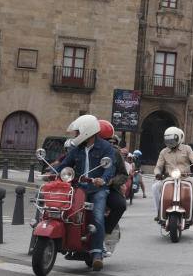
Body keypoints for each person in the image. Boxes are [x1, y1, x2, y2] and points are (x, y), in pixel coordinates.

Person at [58, 114, 116, 271]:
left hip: (98, 189)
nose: (75, 135)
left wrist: (103, 179)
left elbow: (109, 167)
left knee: (97, 216)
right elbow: (65, 164)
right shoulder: (77, 149)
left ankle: (97, 253)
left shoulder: (105, 147)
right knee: (63, 211)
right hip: (78, 187)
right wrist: (51, 172)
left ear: (86, 132)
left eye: (77, 132)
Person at [153, 126, 193, 222]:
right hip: (169, 178)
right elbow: (158, 166)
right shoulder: (163, 152)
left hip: (186, 177)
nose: (170, 142)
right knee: (155, 187)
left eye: (172, 139)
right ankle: (159, 211)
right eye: (168, 139)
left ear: (179, 137)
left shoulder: (187, 149)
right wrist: (158, 174)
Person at [99, 121, 127, 249]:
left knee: (120, 205)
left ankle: (106, 232)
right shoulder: (83, 149)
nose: (108, 144)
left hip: (108, 188)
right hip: (85, 187)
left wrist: (112, 181)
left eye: (110, 141)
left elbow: (123, 174)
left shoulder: (115, 153)